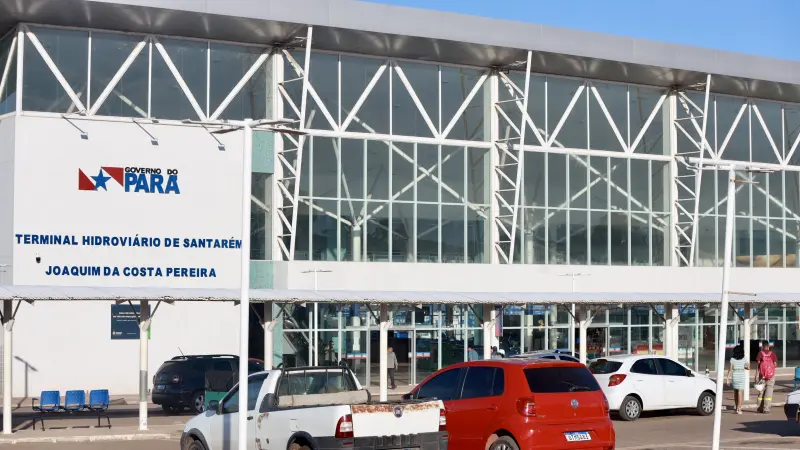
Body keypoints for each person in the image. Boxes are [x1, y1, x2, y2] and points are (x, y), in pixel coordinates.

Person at [756, 340, 778, 413]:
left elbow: (758, 365)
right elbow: (775, 365)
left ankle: (760, 407)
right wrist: (769, 369)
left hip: (762, 375)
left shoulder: (760, 353)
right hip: (771, 375)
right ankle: (766, 409)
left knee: (761, 391)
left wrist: (757, 374)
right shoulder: (773, 354)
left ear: (762, 346)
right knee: (769, 392)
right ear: (768, 346)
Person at [726, 344, 749, 414]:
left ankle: (736, 407)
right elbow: (748, 367)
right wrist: (743, 367)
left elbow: (730, 369)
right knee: (740, 392)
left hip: (735, 375)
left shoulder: (732, 359)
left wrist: (727, 378)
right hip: (741, 375)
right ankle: (739, 408)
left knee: (735, 392)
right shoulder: (744, 358)